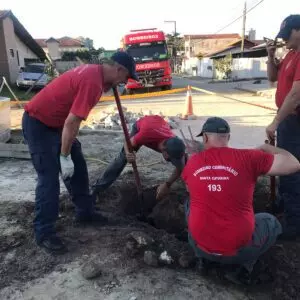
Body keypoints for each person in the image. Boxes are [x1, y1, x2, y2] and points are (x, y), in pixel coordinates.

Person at [22, 51, 138, 254]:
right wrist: (64, 156)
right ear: (119, 69)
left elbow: (69, 122)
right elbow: (72, 122)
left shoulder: (96, 74)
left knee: (79, 167)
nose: (123, 83)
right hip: (38, 123)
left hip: (57, 124)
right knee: (49, 178)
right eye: (125, 78)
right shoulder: (92, 83)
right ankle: (44, 233)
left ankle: (85, 213)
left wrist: (68, 153)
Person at [182, 117, 300, 284]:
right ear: (228, 138)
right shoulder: (248, 158)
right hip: (239, 250)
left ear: (205, 138)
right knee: (270, 221)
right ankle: (245, 265)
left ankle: (204, 259)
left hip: (199, 245)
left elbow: (189, 188)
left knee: (189, 203)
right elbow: (294, 164)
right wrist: (267, 147)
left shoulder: (192, 162)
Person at [92, 115, 186, 200]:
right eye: (170, 158)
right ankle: (96, 189)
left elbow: (181, 165)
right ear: (164, 150)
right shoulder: (145, 135)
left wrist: (167, 184)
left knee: (184, 162)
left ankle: (188, 184)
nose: (171, 161)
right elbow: (127, 142)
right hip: (142, 126)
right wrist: (129, 154)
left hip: (157, 124)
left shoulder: (175, 142)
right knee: (122, 159)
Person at [265, 15, 300, 239]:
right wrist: (270, 55)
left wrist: (276, 122)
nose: (285, 40)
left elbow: (296, 95)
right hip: (287, 120)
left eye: (288, 35)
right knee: (289, 167)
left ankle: (294, 223)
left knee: (291, 169)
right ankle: (286, 204)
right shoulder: (291, 54)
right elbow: (272, 78)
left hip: (294, 121)